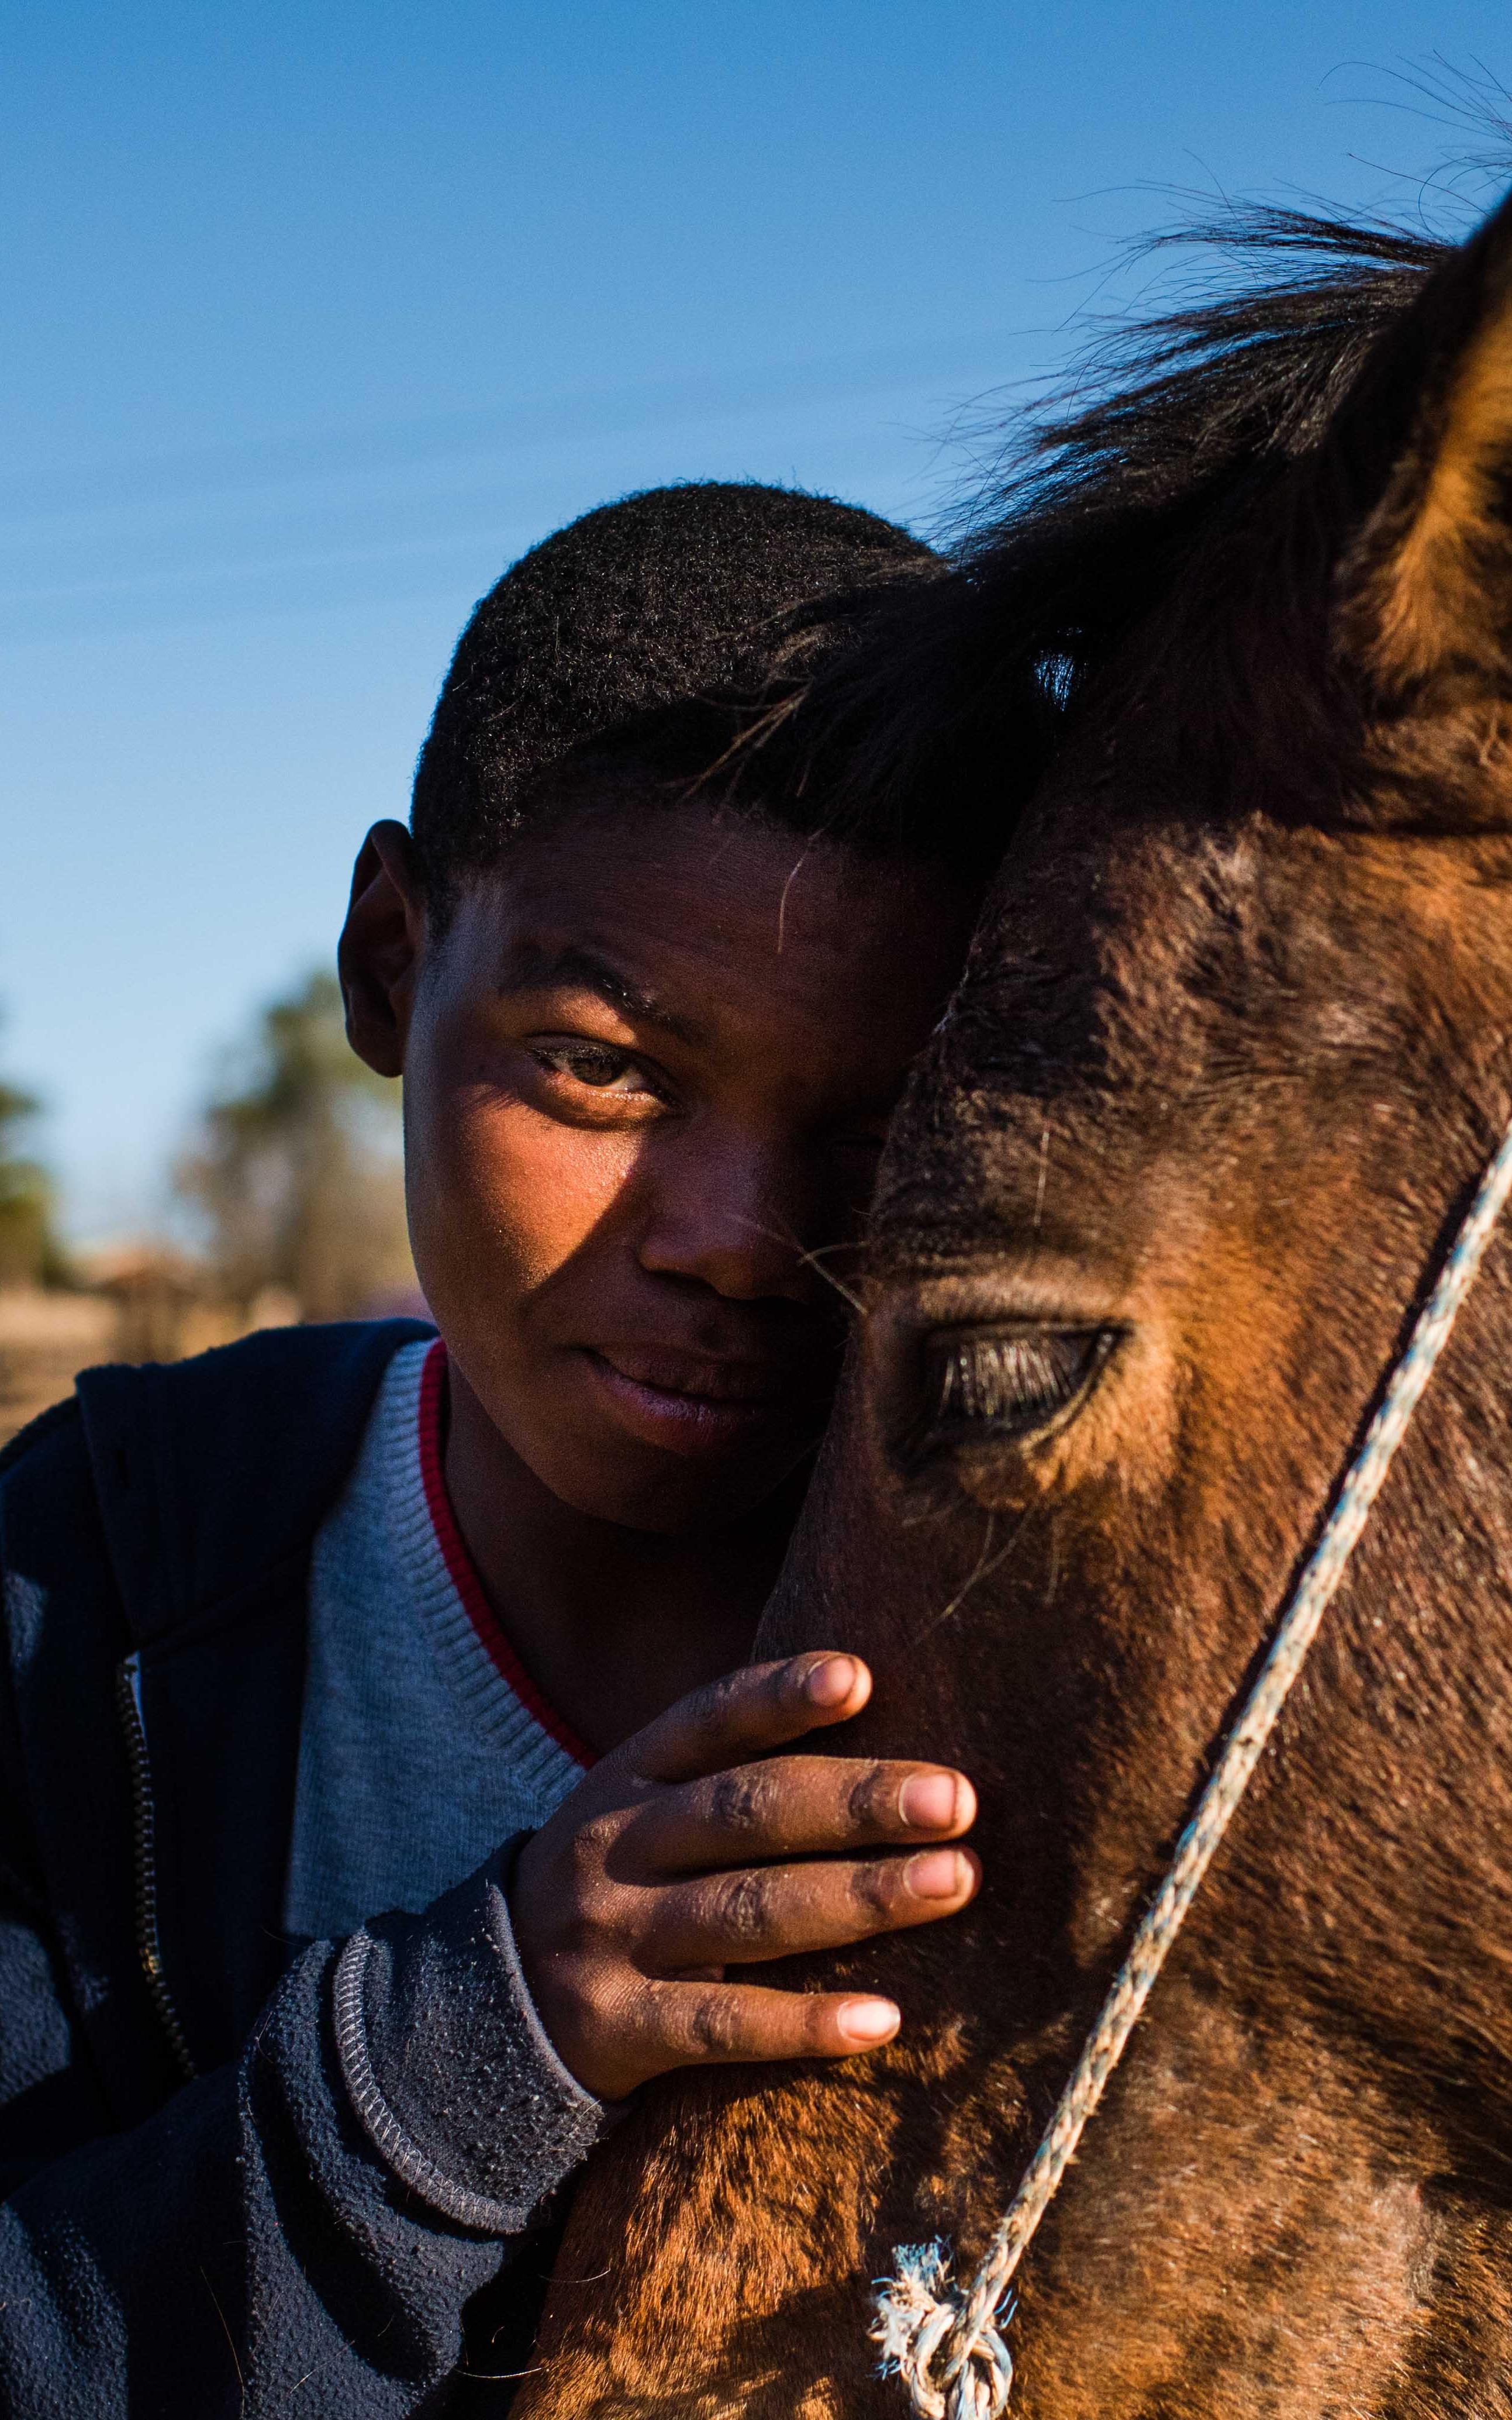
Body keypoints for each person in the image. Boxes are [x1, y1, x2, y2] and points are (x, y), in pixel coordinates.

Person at [0, 481, 989, 2414]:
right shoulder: (103, 1578)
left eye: (881, 1121)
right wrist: (464, 2058)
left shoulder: (1073, 1656)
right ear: (391, 962)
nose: (731, 1230)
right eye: (603, 1066)